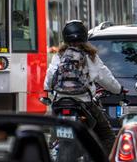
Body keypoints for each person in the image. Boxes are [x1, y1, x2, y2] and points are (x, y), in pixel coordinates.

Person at [44, 20, 124, 154]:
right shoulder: (91, 56)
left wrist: (47, 88)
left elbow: (49, 78)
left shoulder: (59, 56)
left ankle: (53, 149)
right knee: (106, 134)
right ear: (84, 36)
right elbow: (106, 78)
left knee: (53, 135)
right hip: (84, 103)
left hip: (60, 103)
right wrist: (119, 90)